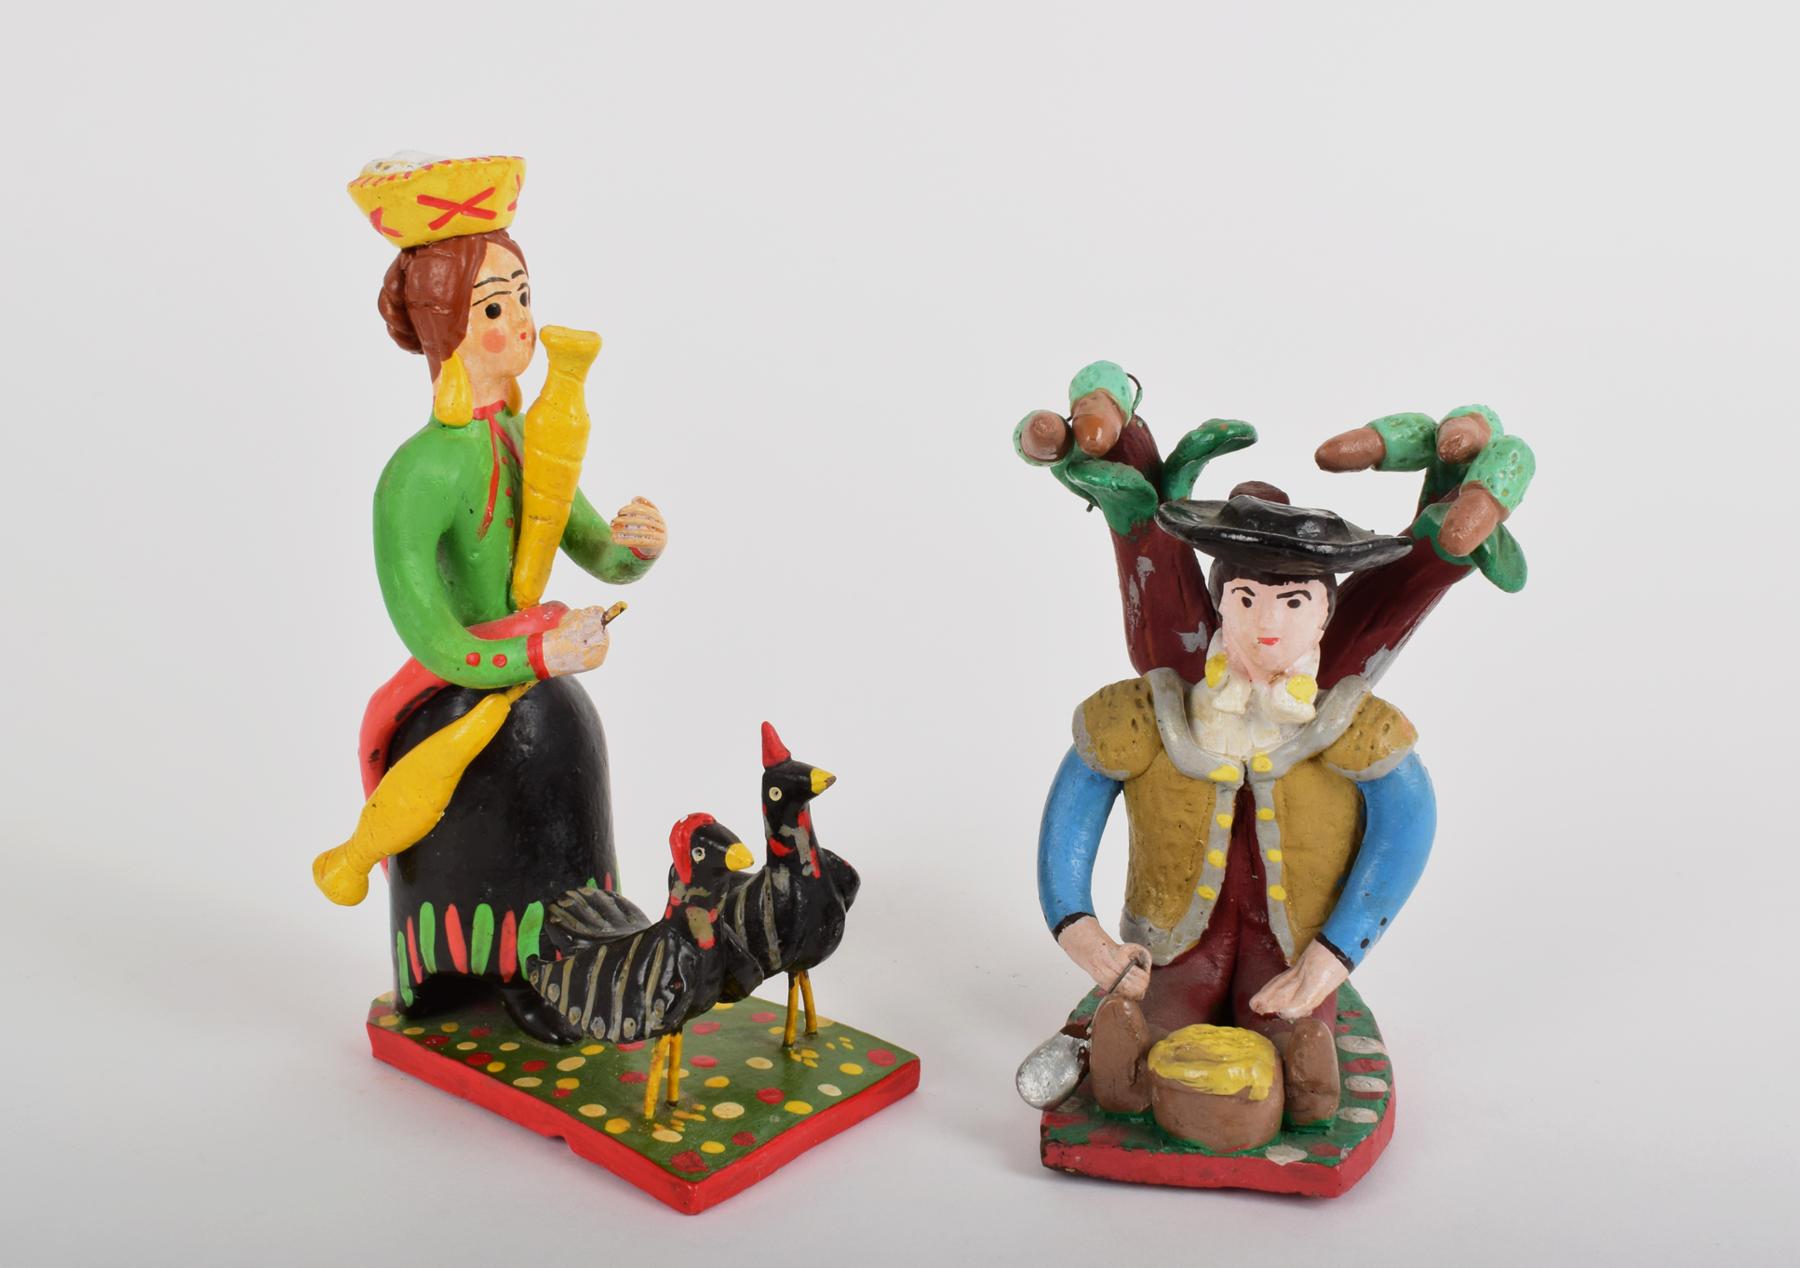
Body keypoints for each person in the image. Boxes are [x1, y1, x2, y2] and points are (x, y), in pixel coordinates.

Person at [348, 154, 666, 1041]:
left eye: (523, 296)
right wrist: (537, 651)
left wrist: (636, 548)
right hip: (459, 703)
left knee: (557, 755)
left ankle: (569, 960)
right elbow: (433, 636)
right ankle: (462, 970)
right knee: (505, 784)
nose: (522, 322)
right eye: (495, 307)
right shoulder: (416, 476)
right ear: (445, 327)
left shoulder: (532, 438)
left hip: (543, 690)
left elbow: (595, 548)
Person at [1037, 488, 1436, 1124]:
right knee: (1163, 1009)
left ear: (1324, 615)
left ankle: (1301, 1070)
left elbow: (1408, 823)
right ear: (1220, 602)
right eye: (1246, 598)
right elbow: (1073, 809)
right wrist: (1076, 925)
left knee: (1282, 1014)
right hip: (1172, 941)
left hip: (1293, 949)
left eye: (1293, 601)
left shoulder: (1355, 727)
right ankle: (1130, 1066)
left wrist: (1335, 953)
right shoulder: (1149, 714)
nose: (1265, 622)